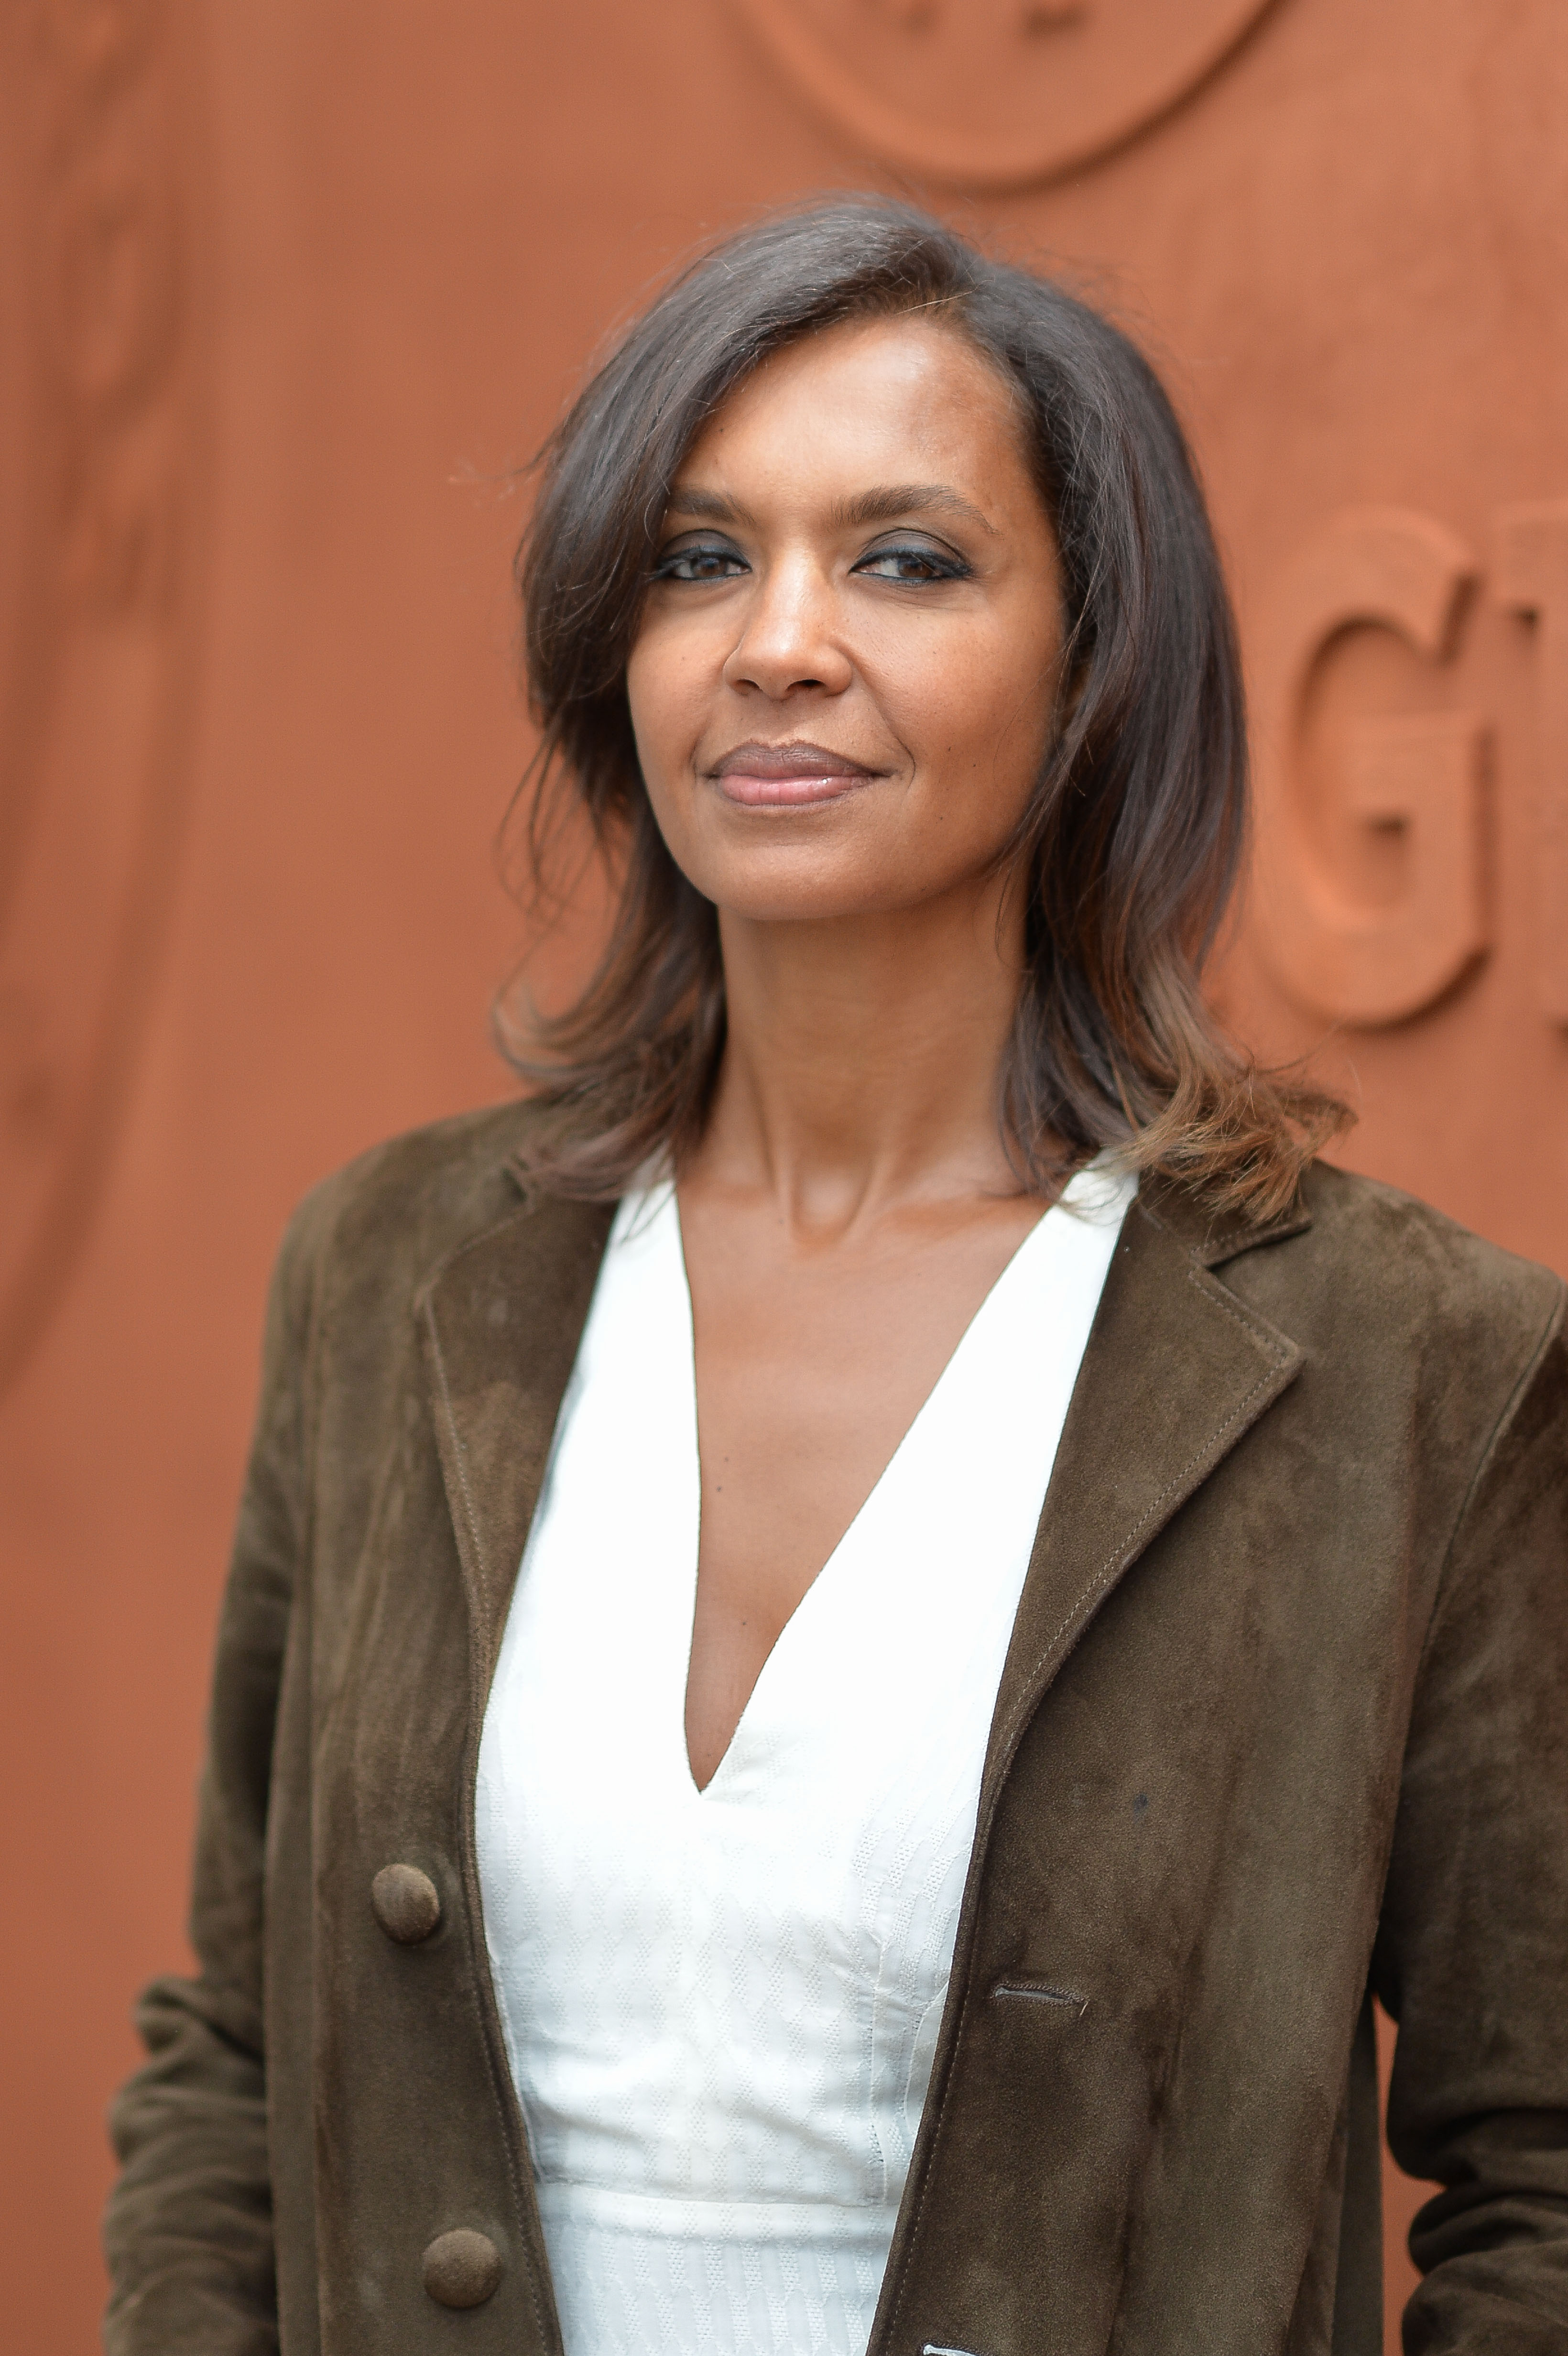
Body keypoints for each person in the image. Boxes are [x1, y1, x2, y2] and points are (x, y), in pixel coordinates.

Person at [103, 199, 1568, 2356]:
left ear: (1095, 658)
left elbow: (1536, 2174)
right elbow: (236, 2047)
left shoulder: (1402, 1362)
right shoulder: (392, 1269)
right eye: (700, 559)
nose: (777, 640)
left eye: (904, 558)